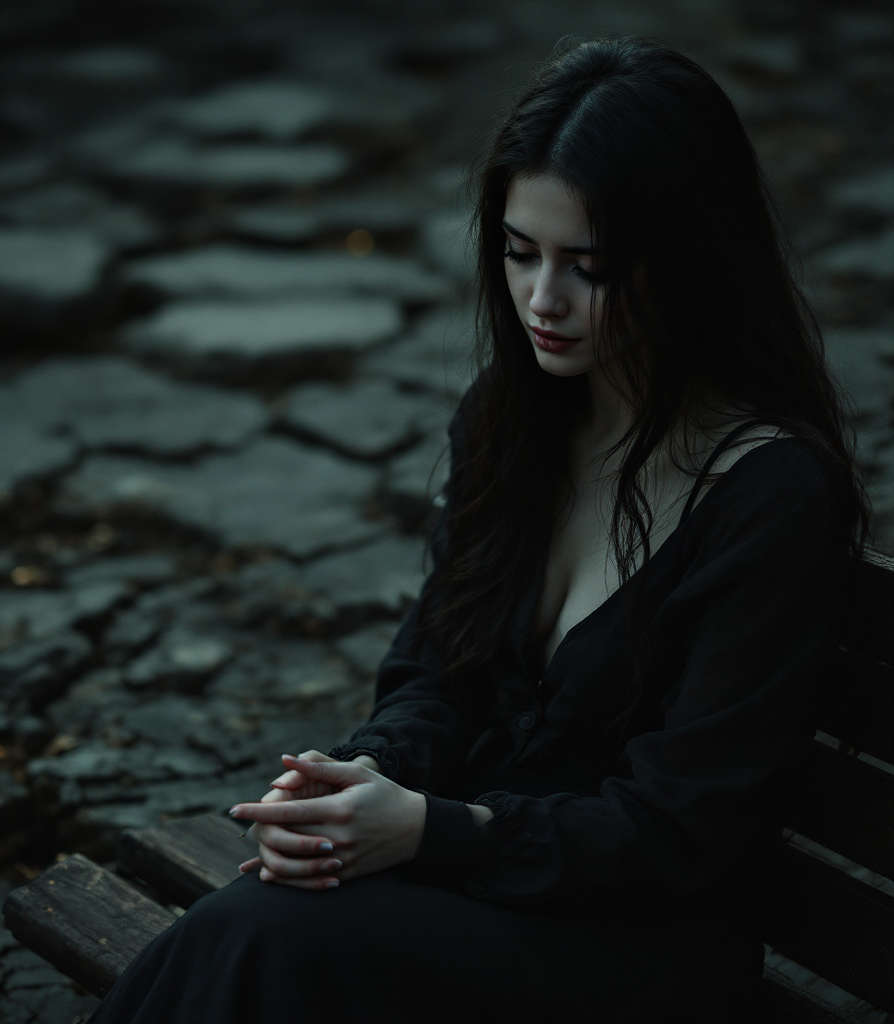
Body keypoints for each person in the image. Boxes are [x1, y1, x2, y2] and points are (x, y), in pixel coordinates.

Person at [87, 36, 868, 1024]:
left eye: (589, 266)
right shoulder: (513, 417)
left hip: (633, 946)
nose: (544, 300)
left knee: (266, 935)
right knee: (260, 911)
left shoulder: (768, 493)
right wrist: (366, 777)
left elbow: (679, 831)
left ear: (688, 258)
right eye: (519, 251)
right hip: (481, 882)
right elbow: (435, 672)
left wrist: (428, 829)